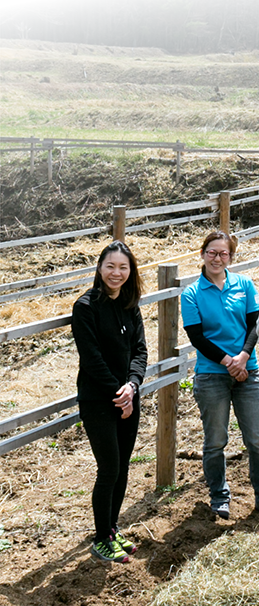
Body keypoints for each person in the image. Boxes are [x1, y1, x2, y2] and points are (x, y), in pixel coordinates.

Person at [181, 231, 259, 520]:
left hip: (247, 372)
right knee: (215, 441)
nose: (217, 258)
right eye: (212, 252)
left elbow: (255, 325)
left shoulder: (245, 285)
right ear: (202, 254)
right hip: (212, 375)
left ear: (231, 257)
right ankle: (219, 497)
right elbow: (197, 337)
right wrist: (228, 361)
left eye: (223, 253)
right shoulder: (191, 294)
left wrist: (243, 357)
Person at [72, 241, 147, 563]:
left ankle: (112, 528)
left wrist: (132, 386)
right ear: (100, 268)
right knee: (109, 467)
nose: (116, 273)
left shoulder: (130, 304)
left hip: (128, 397)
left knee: (123, 467)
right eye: (110, 266)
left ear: (130, 272)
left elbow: (140, 351)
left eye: (123, 267)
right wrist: (120, 392)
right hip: (99, 399)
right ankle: (101, 538)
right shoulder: (86, 307)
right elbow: (91, 359)